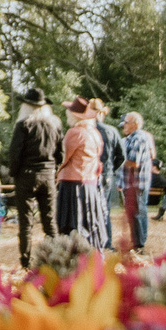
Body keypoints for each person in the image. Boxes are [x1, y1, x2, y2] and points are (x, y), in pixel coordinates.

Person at [7, 88, 63, 263]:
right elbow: (60, 153)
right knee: (50, 220)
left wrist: (14, 173)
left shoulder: (23, 125)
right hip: (47, 175)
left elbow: (14, 153)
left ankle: (26, 260)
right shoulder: (54, 125)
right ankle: (56, 259)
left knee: (26, 222)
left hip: (26, 175)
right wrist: (54, 169)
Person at [58, 97, 105, 240]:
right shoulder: (95, 133)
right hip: (90, 183)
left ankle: (73, 252)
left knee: (72, 223)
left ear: (73, 115)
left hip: (72, 184)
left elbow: (63, 158)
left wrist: (57, 173)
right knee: (89, 222)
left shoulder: (74, 132)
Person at [120, 111, 156, 251]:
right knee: (133, 213)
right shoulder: (131, 138)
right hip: (131, 183)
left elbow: (134, 162)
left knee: (138, 213)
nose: (124, 125)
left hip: (137, 182)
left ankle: (139, 244)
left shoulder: (140, 138)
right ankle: (136, 242)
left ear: (135, 124)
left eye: (126, 122)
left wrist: (117, 162)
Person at [93, 99, 125, 250]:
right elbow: (122, 155)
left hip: (90, 173)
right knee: (105, 209)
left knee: (90, 207)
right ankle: (107, 242)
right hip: (107, 173)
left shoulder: (87, 130)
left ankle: (93, 241)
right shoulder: (111, 131)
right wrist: (111, 169)